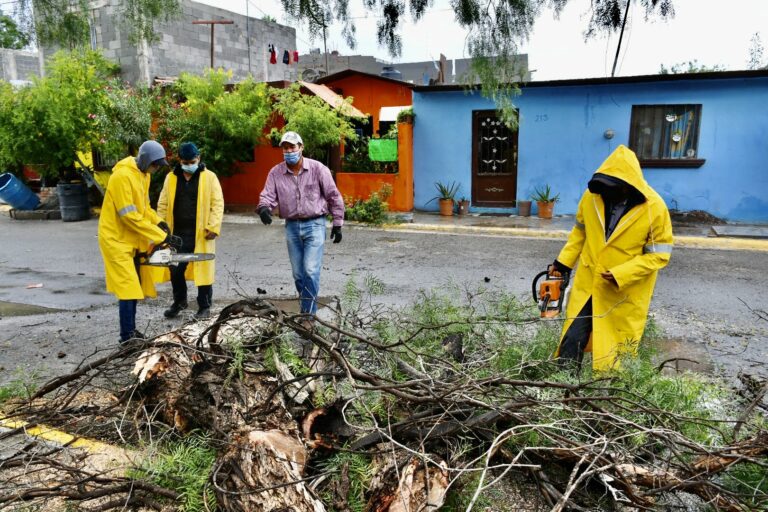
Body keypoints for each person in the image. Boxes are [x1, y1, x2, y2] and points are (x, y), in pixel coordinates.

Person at [550, 145, 673, 371]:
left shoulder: (654, 207)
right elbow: (580, 231)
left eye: (613, 189)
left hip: (623, 289)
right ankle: (564, 385)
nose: (607, 194)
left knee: (616, 348)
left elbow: (659, 256)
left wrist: (621, 274)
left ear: (629, 186)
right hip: (589, 282)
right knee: (573, 336)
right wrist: (563, 263)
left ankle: (608, 394)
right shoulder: (593, 196)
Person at [257, 131, 345, 319]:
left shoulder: (318, 169)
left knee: (310, 270)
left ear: (301, 148)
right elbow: (268, 195)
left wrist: (337, 223)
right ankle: (306, 306)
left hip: (315, 224)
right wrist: (264, 208)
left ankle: (308, 316)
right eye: (285, 148)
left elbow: (333, 195)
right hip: (292, 226)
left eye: (292, 147)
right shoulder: (276, 172)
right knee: (298, 274)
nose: (289, 151)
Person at [98, 140, 171, 344]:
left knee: (135, 286)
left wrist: (159, 222)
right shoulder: (121, 176)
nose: (156, 169)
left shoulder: (143, 175)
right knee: (128, 288)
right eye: (155, 164)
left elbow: (144, 208)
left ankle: (131, 331)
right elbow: (128, 216)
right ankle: (126, 337)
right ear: (146, 159)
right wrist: (159, 236)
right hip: (115, 239)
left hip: (131, 238)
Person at [156, 142, 224, 319]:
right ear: (180, 160)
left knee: (203, 269)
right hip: (177, 234)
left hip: (201, 234)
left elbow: (217, 204)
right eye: (185, 162)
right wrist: (161, 227)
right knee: (175, 269)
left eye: (192, 161)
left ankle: (204, 307)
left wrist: (214, 226)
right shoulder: (171, 178)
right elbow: (163, 204)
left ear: (199, 158)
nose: (189, 165)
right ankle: (179, 302)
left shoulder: (209, 177)